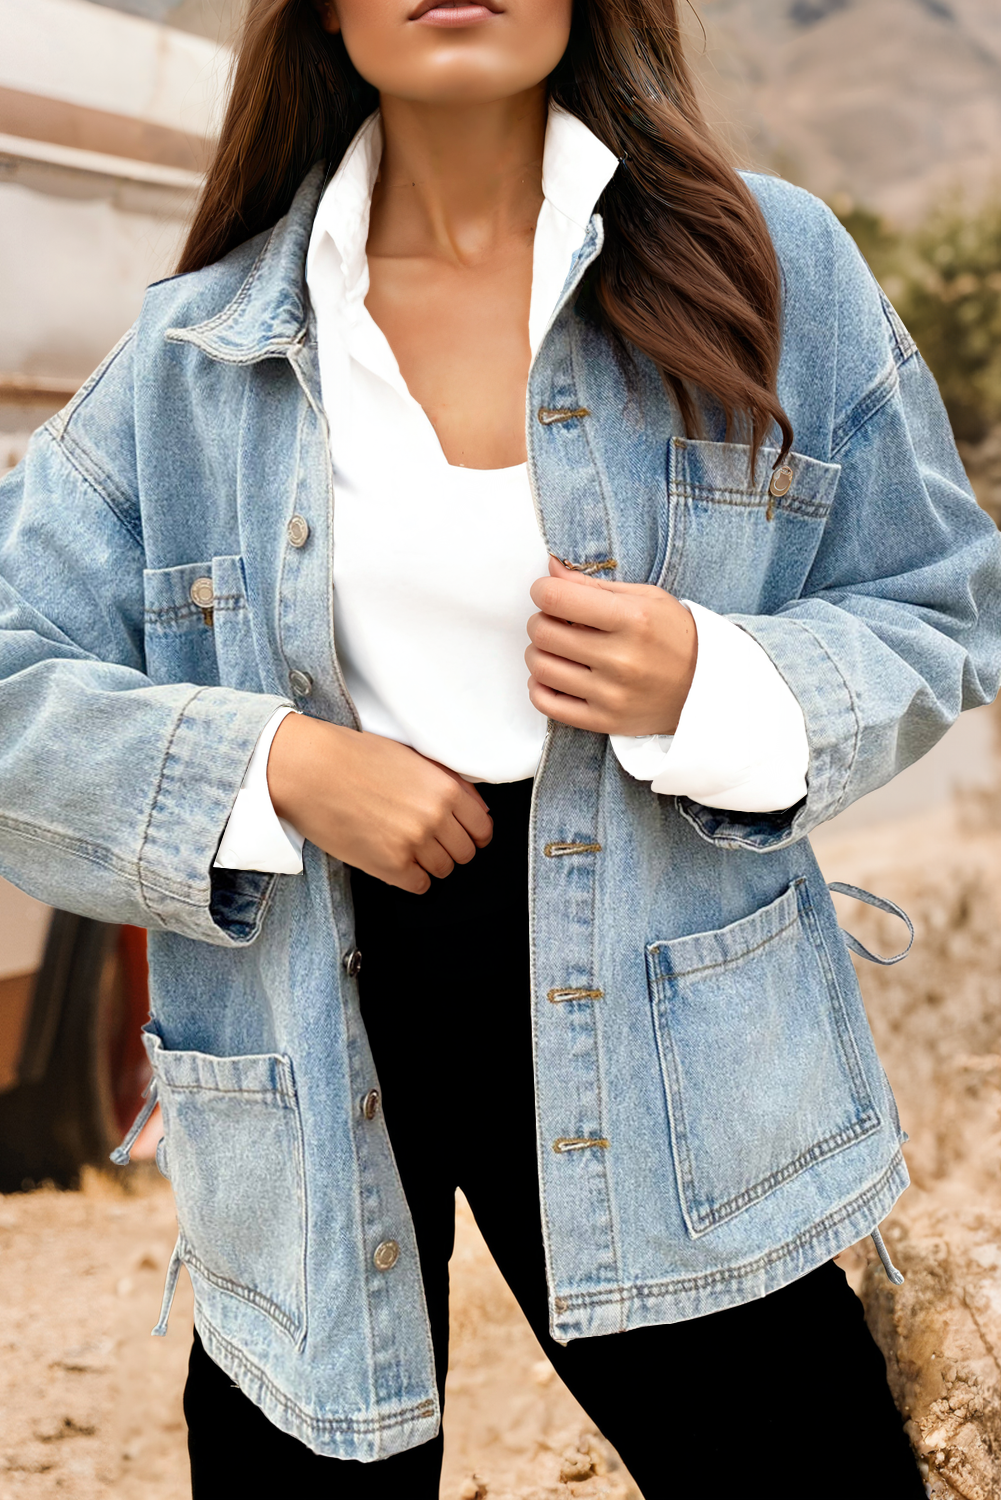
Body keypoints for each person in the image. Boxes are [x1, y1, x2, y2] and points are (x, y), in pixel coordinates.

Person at [1, 0, 998, 1494]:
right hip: (308, 999)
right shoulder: (198, 347)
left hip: (667, 1017)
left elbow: (943, 599)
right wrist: (276, 768)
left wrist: (718, 678)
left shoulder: (764, 262)